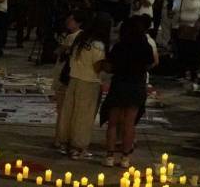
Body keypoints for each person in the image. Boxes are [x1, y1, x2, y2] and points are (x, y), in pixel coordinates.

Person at [99, 16, 156, 167]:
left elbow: (110, 66)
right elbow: (151, 63)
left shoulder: (119, 46)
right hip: (136, 85)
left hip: (120, 84)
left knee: (113, 122)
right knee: (129, 123)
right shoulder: (145, 47)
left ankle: (110, 156)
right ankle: (125, 158)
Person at [55, 13, 110, 158]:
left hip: (74, 79)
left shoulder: (81, 39)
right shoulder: (98, 45)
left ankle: (64, 142)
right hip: (89, 82)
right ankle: (78, 147)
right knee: (83, 116)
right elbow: (97, 67)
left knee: (69, 112)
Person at [51, 11, 82, 149]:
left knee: (62, 109)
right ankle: (67, 137)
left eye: (71, 20)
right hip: (72, 76)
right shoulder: (81, 36)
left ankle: (60, 138)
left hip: (65, 75)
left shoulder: (72, 38)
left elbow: (58, 52)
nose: (67, 22)